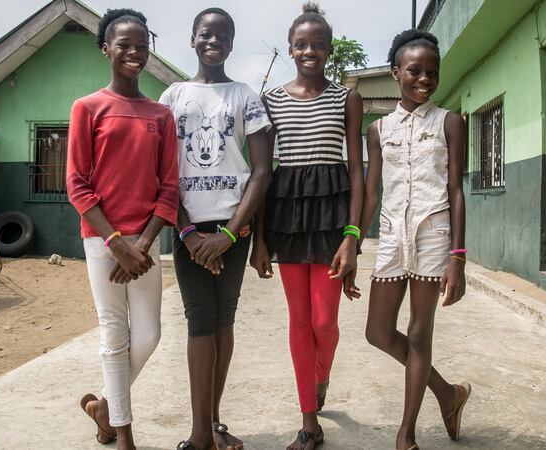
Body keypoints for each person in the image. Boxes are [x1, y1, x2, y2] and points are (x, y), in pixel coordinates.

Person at [158, 7, 272, 450]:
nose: (214, 42)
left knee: (224, 321)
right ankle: (199, 433)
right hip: (187, 229)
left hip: (233, 229)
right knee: (199, 323)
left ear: (230, 43)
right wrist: (187, 233)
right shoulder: (172, 96)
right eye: (206, 35)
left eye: (222, 36)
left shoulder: (244, 96)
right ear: (192, 40)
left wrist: (227, 235)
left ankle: (215, 422)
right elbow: (162, 172)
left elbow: (262, 171)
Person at [251, 3, 364, 449]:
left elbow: (356, 169)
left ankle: (322, 375)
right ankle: (308, 420)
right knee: (299, 322)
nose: (310, 51)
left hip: (334, 218)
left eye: (318, 44)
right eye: (302, 44)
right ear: (290, 49)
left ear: (329, 49)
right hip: (289, 219)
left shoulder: (346, 97)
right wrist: (260, 240)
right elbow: (265, 171)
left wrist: (353, 237)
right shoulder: (272, 100)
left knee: (325, 323)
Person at [66, 8, 179, 450]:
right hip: (101, 241)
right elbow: (77, 184)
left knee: (148, 336)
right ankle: (125, 436)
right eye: (124, 44)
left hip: (146, 243)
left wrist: (143, 245)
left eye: (142, 45)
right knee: (115, 337)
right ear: (105, 49)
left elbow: (168, 186)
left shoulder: (160, 115)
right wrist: (116, 244)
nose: (134, 52)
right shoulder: (88, 107)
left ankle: (104, 409)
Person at [359, 29, 470, 450]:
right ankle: (447, 392)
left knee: (420, 335)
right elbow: (372, 193)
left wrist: (457, 256)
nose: (424, 79)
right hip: (390, 237)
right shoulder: (379, 130)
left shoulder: (450, 122)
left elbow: (456, 190)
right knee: (377, 332)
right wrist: (351, 243)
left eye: (432, 73)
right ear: (395, 73)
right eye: (415, 71)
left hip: (434, 236)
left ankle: (406, 435)